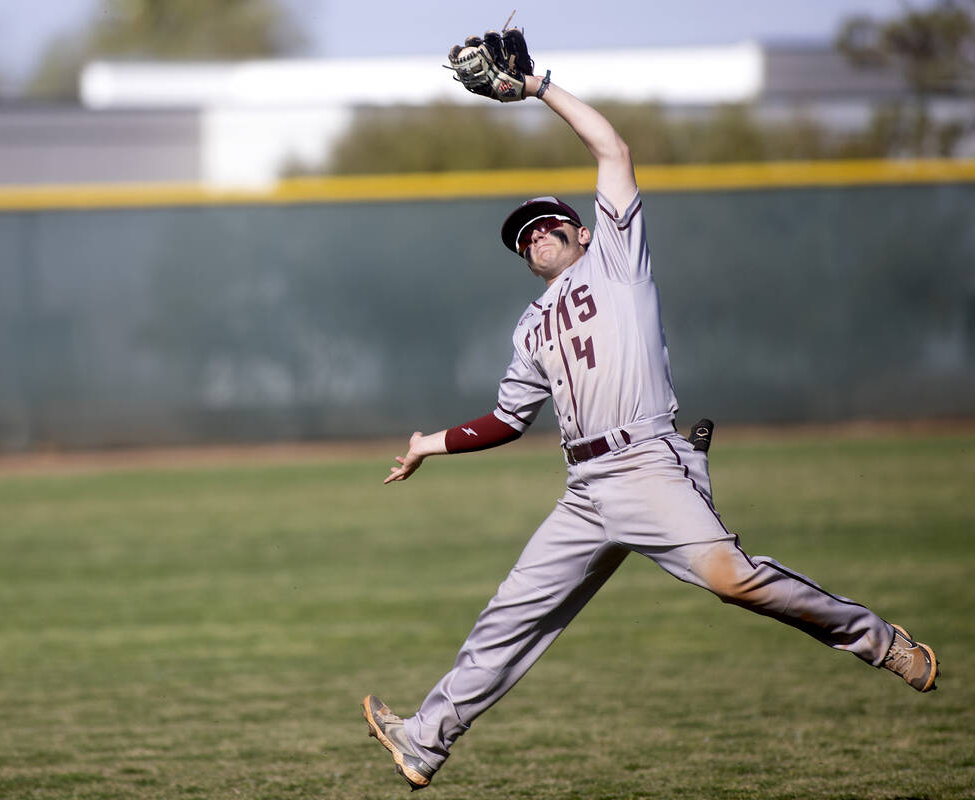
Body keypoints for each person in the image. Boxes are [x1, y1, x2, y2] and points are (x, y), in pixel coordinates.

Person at [361, 54, 940, 793]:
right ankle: (423, 742)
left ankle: (878, 641)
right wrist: (429, 444)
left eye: (546, 224)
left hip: (645, 464)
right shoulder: (529, 326)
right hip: (586, 488)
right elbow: (508, 419)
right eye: (523, 236)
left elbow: (612, 149)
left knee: (735, 583)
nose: (535, 236)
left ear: (579, 231)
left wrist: (538, 88)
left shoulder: (617, 262)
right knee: (509, 618)